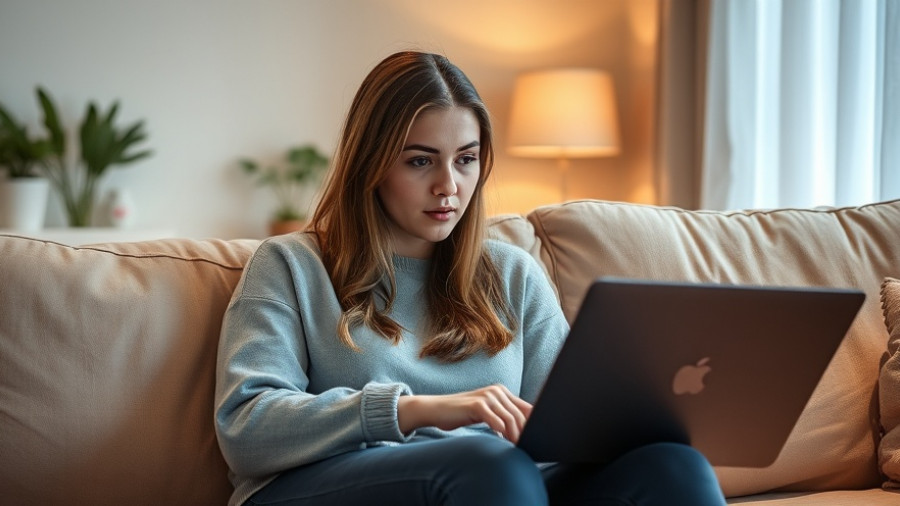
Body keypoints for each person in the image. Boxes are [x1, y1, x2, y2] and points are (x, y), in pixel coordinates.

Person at [215, 50, 726, 506]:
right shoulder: (290, 264)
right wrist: (417, 410)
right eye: (420, 161)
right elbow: (247, 426)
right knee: (489, 464)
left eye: (466, 160)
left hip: (495, 483)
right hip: (326, 484)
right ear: (370, 165)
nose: (448, 186)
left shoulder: (512, 274)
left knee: (672, 465)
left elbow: (564, 425)